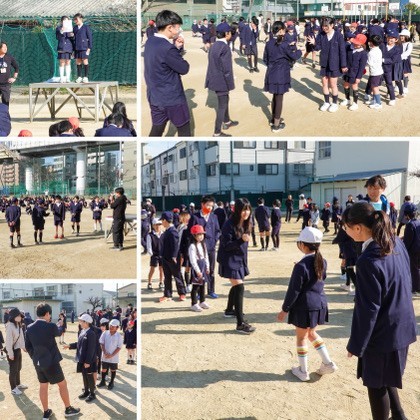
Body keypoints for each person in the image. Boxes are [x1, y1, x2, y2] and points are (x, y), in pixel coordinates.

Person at [342, 202, 417, 420]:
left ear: (358, 228)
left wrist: (356, 344)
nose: (344, 231)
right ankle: (399, 415)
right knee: (386, 376)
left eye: (346, 227)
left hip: (383, 333)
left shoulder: (368, 260)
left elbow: (368, 309)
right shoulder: (394, 241)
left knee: (376, 384)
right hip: (401, 325)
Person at [277, 227, 337, 381]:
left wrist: (284, 309)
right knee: (311, 333)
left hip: (304, 307)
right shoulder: (322, 261)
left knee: (301, 338)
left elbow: (294, 290)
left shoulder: (301, 266)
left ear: (303, 245)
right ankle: (328, 363)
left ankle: (303, 371)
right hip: (319, 303)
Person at [25, 303, 80, 418]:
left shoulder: (29, 328)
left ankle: (46, 412)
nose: (50, 316)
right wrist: (61, 323)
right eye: (49, 314)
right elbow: (59, 332)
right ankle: (68, 409)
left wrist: (35, 357)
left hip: (38, 362)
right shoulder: (50, 326)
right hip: (51, 362)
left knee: (43, 386)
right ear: (47, 314)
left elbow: (28, 347)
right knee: (62, 385)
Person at [144, 10, 191, 137]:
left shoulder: (150, 41)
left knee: (157, 129)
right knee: (184, 130)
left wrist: (176, 47)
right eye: (178, 27)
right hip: (171, 98)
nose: (179, 30)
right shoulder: (167, 48)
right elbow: (184, 68)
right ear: (170, 27)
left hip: (155, 96)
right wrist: (176, 49)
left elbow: (163, 61)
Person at [217, 198, 255, 334]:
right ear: (238, 210)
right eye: (244, 209)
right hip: (229, 259)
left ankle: (229, 310)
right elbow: (226, 245)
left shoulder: (247, 223)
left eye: (248, 209)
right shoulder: (229, 224)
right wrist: (240, 240)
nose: (246, 212)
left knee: (236, 285)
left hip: (239, 259)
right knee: (239, 287)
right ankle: (240, 324)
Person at [263, 21, 302, 131]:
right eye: (284, 30)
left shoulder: (269, 43)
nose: (285, 31)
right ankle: (276, 125)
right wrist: (300, 51)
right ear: (280, 30)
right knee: (279, 98)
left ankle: (274, 119)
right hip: (281, 74)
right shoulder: (284, 44)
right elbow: (293, 56)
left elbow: (265, 59)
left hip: (271, 73)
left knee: (275, 97)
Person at [205, 23, 238, 137]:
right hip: (222, 80)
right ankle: (217, 132)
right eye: (230, 32)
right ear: (226, 34)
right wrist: (230, 83)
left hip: (214, 78)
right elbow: (227, 69)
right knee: (222, 106)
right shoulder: (225, 47)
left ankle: (227, 121)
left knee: (225, 100)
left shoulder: (213, 45)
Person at [308, 17, 347, 113]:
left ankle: (334, 103)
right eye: (323, 26)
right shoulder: (321, 35)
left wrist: (343, 65)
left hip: (334, 63)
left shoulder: (338, 35)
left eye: (326, 26)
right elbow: (318, 48)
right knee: (324, 83)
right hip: (324, 63)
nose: (324, 28)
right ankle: (326, 102)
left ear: (332, 25)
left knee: (333, 84)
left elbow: (342, 51)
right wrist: (314, 43)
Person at [187, 195, 221, 299]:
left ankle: (211, 290)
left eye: (211, 206)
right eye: (208, 205)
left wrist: (214, 241)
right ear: (202, 204)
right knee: (199, 269)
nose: (209, 208)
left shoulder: (214, 217)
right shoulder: (195, 217)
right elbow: (189, 232)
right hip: (198, 248)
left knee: (210, 269)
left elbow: (218, 231)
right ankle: (198, 292)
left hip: (211, 247)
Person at [63, 314, 97, 402]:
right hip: (82, 358)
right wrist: (69, 346)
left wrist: (88, 362)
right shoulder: (82, 331)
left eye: (81, 321)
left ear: (86, 322)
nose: (79, 322)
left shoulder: (91, 333)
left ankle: (92, 394)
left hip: (88, 360)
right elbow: (78, 344)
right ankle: (86, 391)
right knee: (84, 375)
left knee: (89, 376)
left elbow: (91, 349)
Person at [159, 211, 186, 302]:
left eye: (162, 220)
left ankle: (182, 293)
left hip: (172, 257)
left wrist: (174, 256)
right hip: (165, 256)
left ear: (165, 220)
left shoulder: (173, 231)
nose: (161, 222)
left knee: (177, 275)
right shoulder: (167, 230)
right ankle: (167, 294)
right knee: (167, 276)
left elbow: (175, 244)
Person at [341, 33, 368, 111]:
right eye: (355, 43)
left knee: (354, 86)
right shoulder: (349, 48)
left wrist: (359, 77)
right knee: (346, 85)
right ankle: (347, 99)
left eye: (357, 44)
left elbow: (362, 67)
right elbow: (345, 58)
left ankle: (355, 103)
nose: (355, 44)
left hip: (355, 73)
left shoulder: (363, 53)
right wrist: (344, 66)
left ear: (362, 44)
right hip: (347, 71)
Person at [5, 307, 28, 395]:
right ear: (14, 316)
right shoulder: (10, 326)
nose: (20, 317)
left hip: (17, 350)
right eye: (18, 315)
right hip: (12, 351)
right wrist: (10, 354)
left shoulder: (18, 324)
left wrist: (23, 347)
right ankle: (13, 388)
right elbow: (8, 342)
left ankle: (18, 384)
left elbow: (21, 337)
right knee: (13, 370)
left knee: (18, 368)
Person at [189, 224, 210, 312]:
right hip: (197, 267)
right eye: (199, 234)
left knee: (203, 285)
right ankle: (194, 303)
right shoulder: (192, 246)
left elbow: (206, 256)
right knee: (196, 286)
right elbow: (193, 260)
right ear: (194, 235)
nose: (201, 236)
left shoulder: (203, 244)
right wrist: (197, 271)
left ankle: (202, 301)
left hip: (203, 266)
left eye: (202, 234)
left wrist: (207, 267)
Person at [98, 319, 123, 390]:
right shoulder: (105, 333)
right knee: (104, 369)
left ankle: (111, 382)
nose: (111, 327)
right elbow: (101, 343)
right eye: (110, 325)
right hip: (105, 356)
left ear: (117, 328)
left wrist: (112, 355)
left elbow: (119, 347)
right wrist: (104, 352)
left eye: (113, 326)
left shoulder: (119, 336)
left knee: (113, 370)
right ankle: (103, 381)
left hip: (114, 357)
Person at [402, 203, 420, 295]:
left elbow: (408, 241)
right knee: (418, 268)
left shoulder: (410, 225)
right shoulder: (418, 222)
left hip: (413, 251)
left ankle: (415, 288)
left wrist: (403, 249)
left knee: (414, 269)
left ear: (407, 215)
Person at [72, 13, 93, 83]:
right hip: (76, 47)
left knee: (85, 61)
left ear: (81, 19)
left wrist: (89, 48)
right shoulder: (74, 28)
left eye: (76, 19)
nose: (75, 21)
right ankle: (79, 77)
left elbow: (90, 38)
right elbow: (73, 38)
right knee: (78, 61)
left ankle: (86, 77)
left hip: (84, 47)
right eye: (74, 19)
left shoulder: (86, 27)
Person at [146, 218, 164, 290]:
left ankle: (161, 282)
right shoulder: (150, 235)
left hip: (162, 254)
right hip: (154, 254)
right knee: (152, 269)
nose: (158, 226)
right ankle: (149, 282)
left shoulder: (163, 234)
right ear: (153, 226)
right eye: (156, 225)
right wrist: (151, 253)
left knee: (161, 269)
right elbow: (149, 245)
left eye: (159, 225)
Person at [0, 41, 19, 106]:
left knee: (5, 104)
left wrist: (14, 78)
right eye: (3, 47)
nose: (5, 48)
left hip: (5, 85)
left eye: (6, 47)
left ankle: (5, 113)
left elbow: (16, 67)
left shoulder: (9, 57)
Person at [56, 16, 73, 83]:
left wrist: (72, 35)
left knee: (68, 62)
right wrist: (62, 31)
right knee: (62, 62)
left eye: (67, 20)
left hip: (69, 47)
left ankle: (68, 78)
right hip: (62, 47)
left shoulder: (70, 29)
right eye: (64, 20)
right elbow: (57, 37)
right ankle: (61, 78)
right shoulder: (58, 28)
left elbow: (73, 39)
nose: (66, 22)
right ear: (62, 22)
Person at [110, 187, 127, 251]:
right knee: (120, 231)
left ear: (118, 193)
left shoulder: (120, 199)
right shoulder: (123, 198)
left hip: (118, 217)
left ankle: (116, 245)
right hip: (121, 217)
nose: (115, 194)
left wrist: (111, 199)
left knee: (116, 231)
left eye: (116, 193)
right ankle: (120, 245)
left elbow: (112, 205)